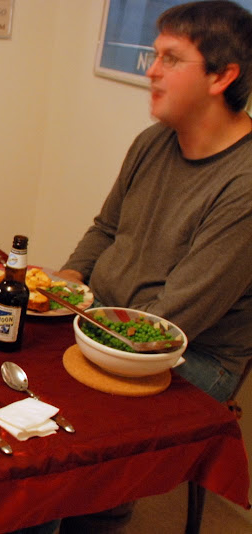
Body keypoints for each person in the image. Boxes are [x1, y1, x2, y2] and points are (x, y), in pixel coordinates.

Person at [55, 2, 252, 532]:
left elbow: (171, 323)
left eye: (171, 58)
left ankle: (100, 508)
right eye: (154, 55)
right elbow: (104, 229)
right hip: (106, 317)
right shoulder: (152, 142)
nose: (152, 71)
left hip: (191, 353)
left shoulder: (245, 182)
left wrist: (79, 329)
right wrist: (65, 283)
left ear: (222, 77)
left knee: (72, 419)